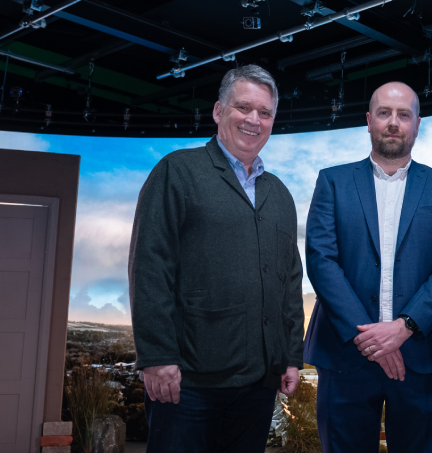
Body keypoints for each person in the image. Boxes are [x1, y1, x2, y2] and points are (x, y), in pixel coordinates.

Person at [128, 64, 304, 453]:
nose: (254, 120)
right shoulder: (178, 171)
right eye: (244, 107)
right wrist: (156, 357)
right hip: (188, 383)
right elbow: (149, 265)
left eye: (265, 112)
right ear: (218, 110)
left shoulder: (280, 195)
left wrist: (291, 357)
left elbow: (290, 282)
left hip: (258, 384)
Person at [303, 81, 432, 453]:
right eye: (384, 113)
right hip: (346, 356)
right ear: (369, 120)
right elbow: (321, 260)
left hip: (422, 359)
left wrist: (403, 328)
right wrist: (371, 338)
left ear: (417, 125)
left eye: (403, 115)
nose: (394, 122)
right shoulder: (332, 181)